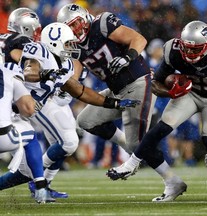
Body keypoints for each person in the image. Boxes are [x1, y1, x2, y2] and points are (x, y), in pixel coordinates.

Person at [106, 20, 207, 201]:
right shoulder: (174, 50)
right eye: (187, 47)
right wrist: (170, 92)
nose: (189, 52)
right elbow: (156, 83)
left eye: (195, 48)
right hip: (189, 94)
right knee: (161, 127)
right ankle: (132, 163)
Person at [17, 21, 140, 198]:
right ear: (54, 41)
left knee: (65, 144)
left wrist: (112, 103)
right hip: (21, 105)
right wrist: (47, 74)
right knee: (66, 143)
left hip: (43, 104)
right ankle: (37, 179)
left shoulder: (66, 64)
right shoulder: (39, 50)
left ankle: (42, 183)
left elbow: (80, 91)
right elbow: (28, 71)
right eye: (67, 43)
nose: (71, 47)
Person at [57, 3, 156, 154]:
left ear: (84, 16)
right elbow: (75, 73)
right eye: (70, 26)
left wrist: (127, 58)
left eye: (76, 22)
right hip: (116, 90)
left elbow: (139, 39)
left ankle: (168, 174)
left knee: (138, 144)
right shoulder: (73, 46)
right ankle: (125, 144)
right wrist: (67, 85)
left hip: (137, 82)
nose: (75, 28)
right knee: (85, 121)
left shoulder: (102, 23)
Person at [0, 7, 68, 199]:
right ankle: (40, 184)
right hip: (7, 106)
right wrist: (47, 74)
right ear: (28, 28)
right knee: (29, 136)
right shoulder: (21, 42)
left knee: (25, 169)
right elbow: (25, 69)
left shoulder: (3, 37)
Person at [0, 62, 54, 204]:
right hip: (3, 137)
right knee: (30, 133)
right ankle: (40, 185)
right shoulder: (8, 72)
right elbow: (29, 110)